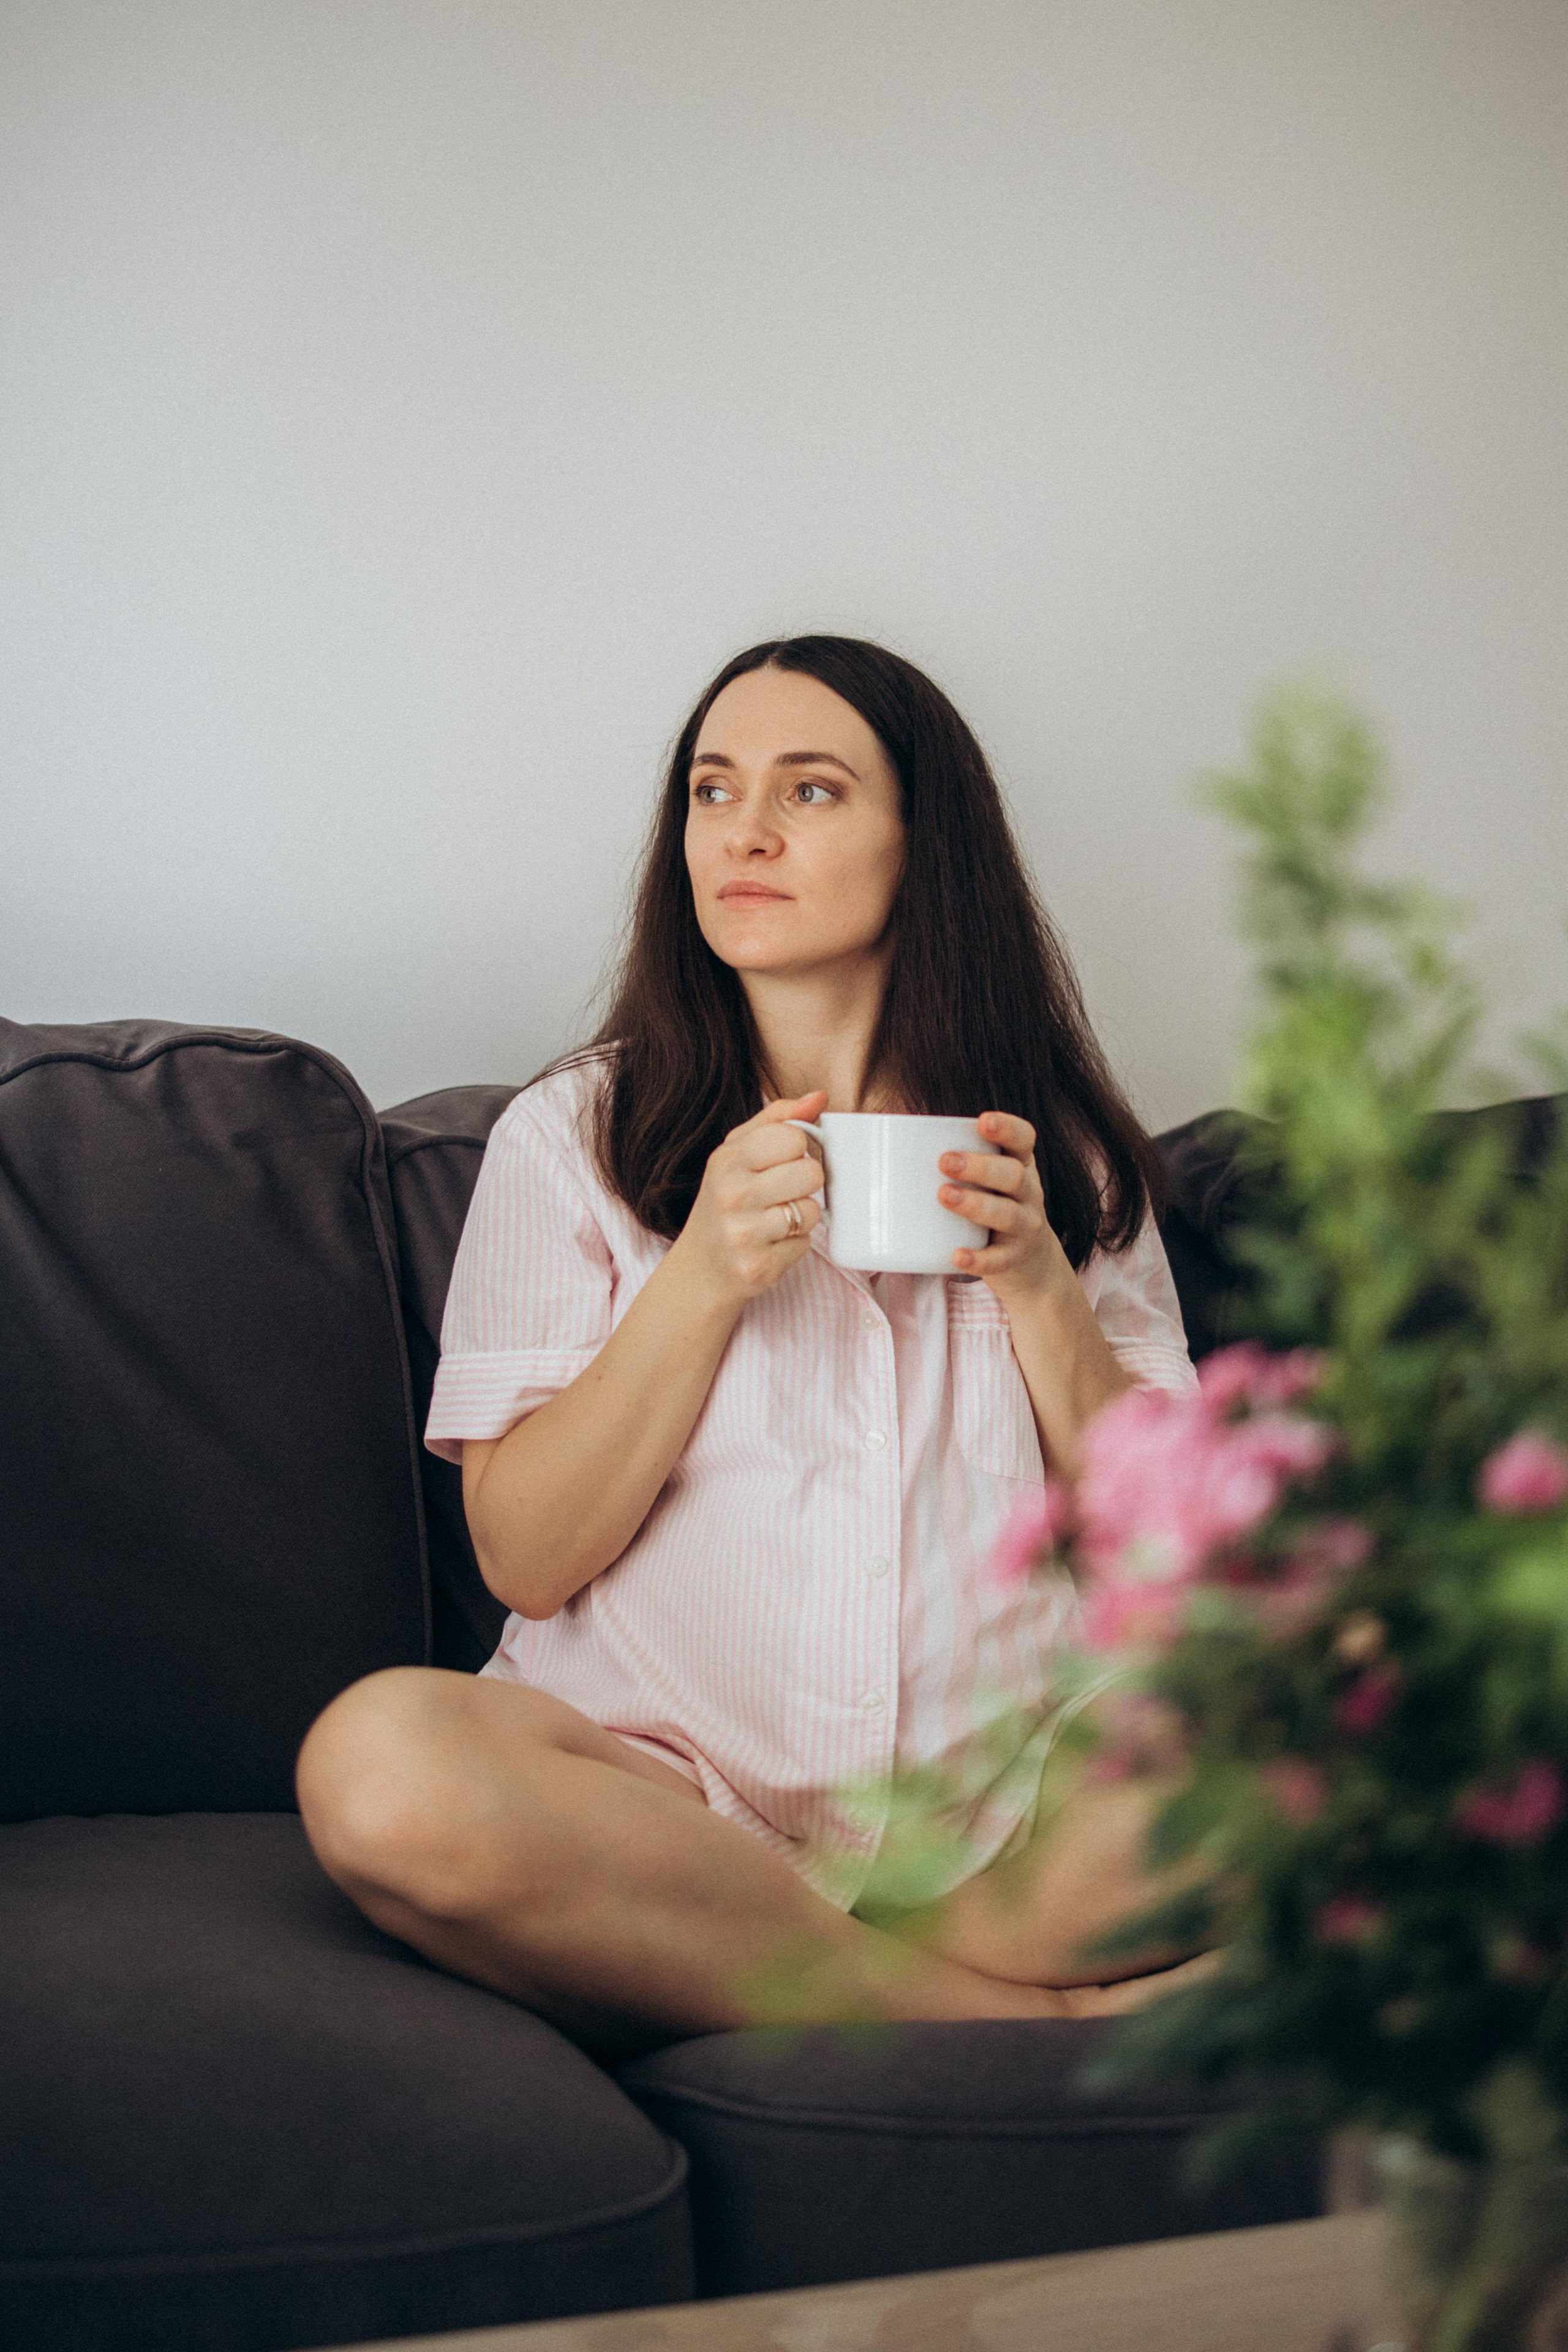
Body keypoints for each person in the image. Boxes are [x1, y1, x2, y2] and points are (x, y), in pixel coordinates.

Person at [296, 635, 1210, 2056]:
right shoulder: (573, 1139)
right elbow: (524, 1560)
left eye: (812, 791)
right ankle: (1022, 2026)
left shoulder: (1062, 1163)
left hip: (1007, 1823)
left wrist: (1039, 1284)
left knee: (1362, 1693)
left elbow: (1174, 1574)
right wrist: (703, 1277)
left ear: (927, 845)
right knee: (380, 1764)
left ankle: (797, 1970)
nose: (748, 833)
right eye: (714, 792)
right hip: (661, 1807)